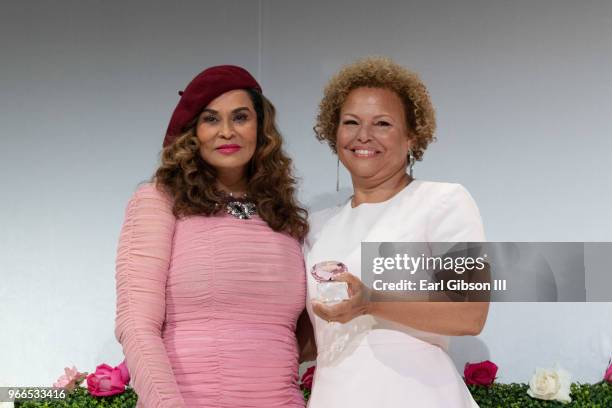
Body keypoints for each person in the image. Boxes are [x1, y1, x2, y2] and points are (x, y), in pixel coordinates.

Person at [114, 65, 309, 408]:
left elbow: (295, 335)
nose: (227, 132)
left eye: (240, 117)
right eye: (211, 119)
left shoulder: (284, 216)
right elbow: (136, 325)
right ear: (192, 132)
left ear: (261, 128)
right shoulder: (159, 201)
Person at [304, 57, 488, 407]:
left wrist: (372, 302)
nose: (363, 135)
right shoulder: (317, 226)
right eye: (351, 122)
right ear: (334, 133)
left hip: (417, 393)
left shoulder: (444, 201)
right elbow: (312, 333)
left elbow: (470, 313)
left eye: (382, 123)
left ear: (411, 137)